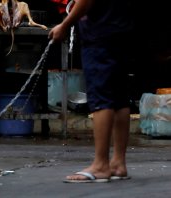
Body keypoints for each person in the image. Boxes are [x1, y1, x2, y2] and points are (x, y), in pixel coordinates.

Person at [48, 0, 134, 182]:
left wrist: (65, 24)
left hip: (100, 34)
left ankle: (101, 165)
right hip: (120, 30)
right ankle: (118, 163)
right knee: (119, 98)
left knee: (101, 96)